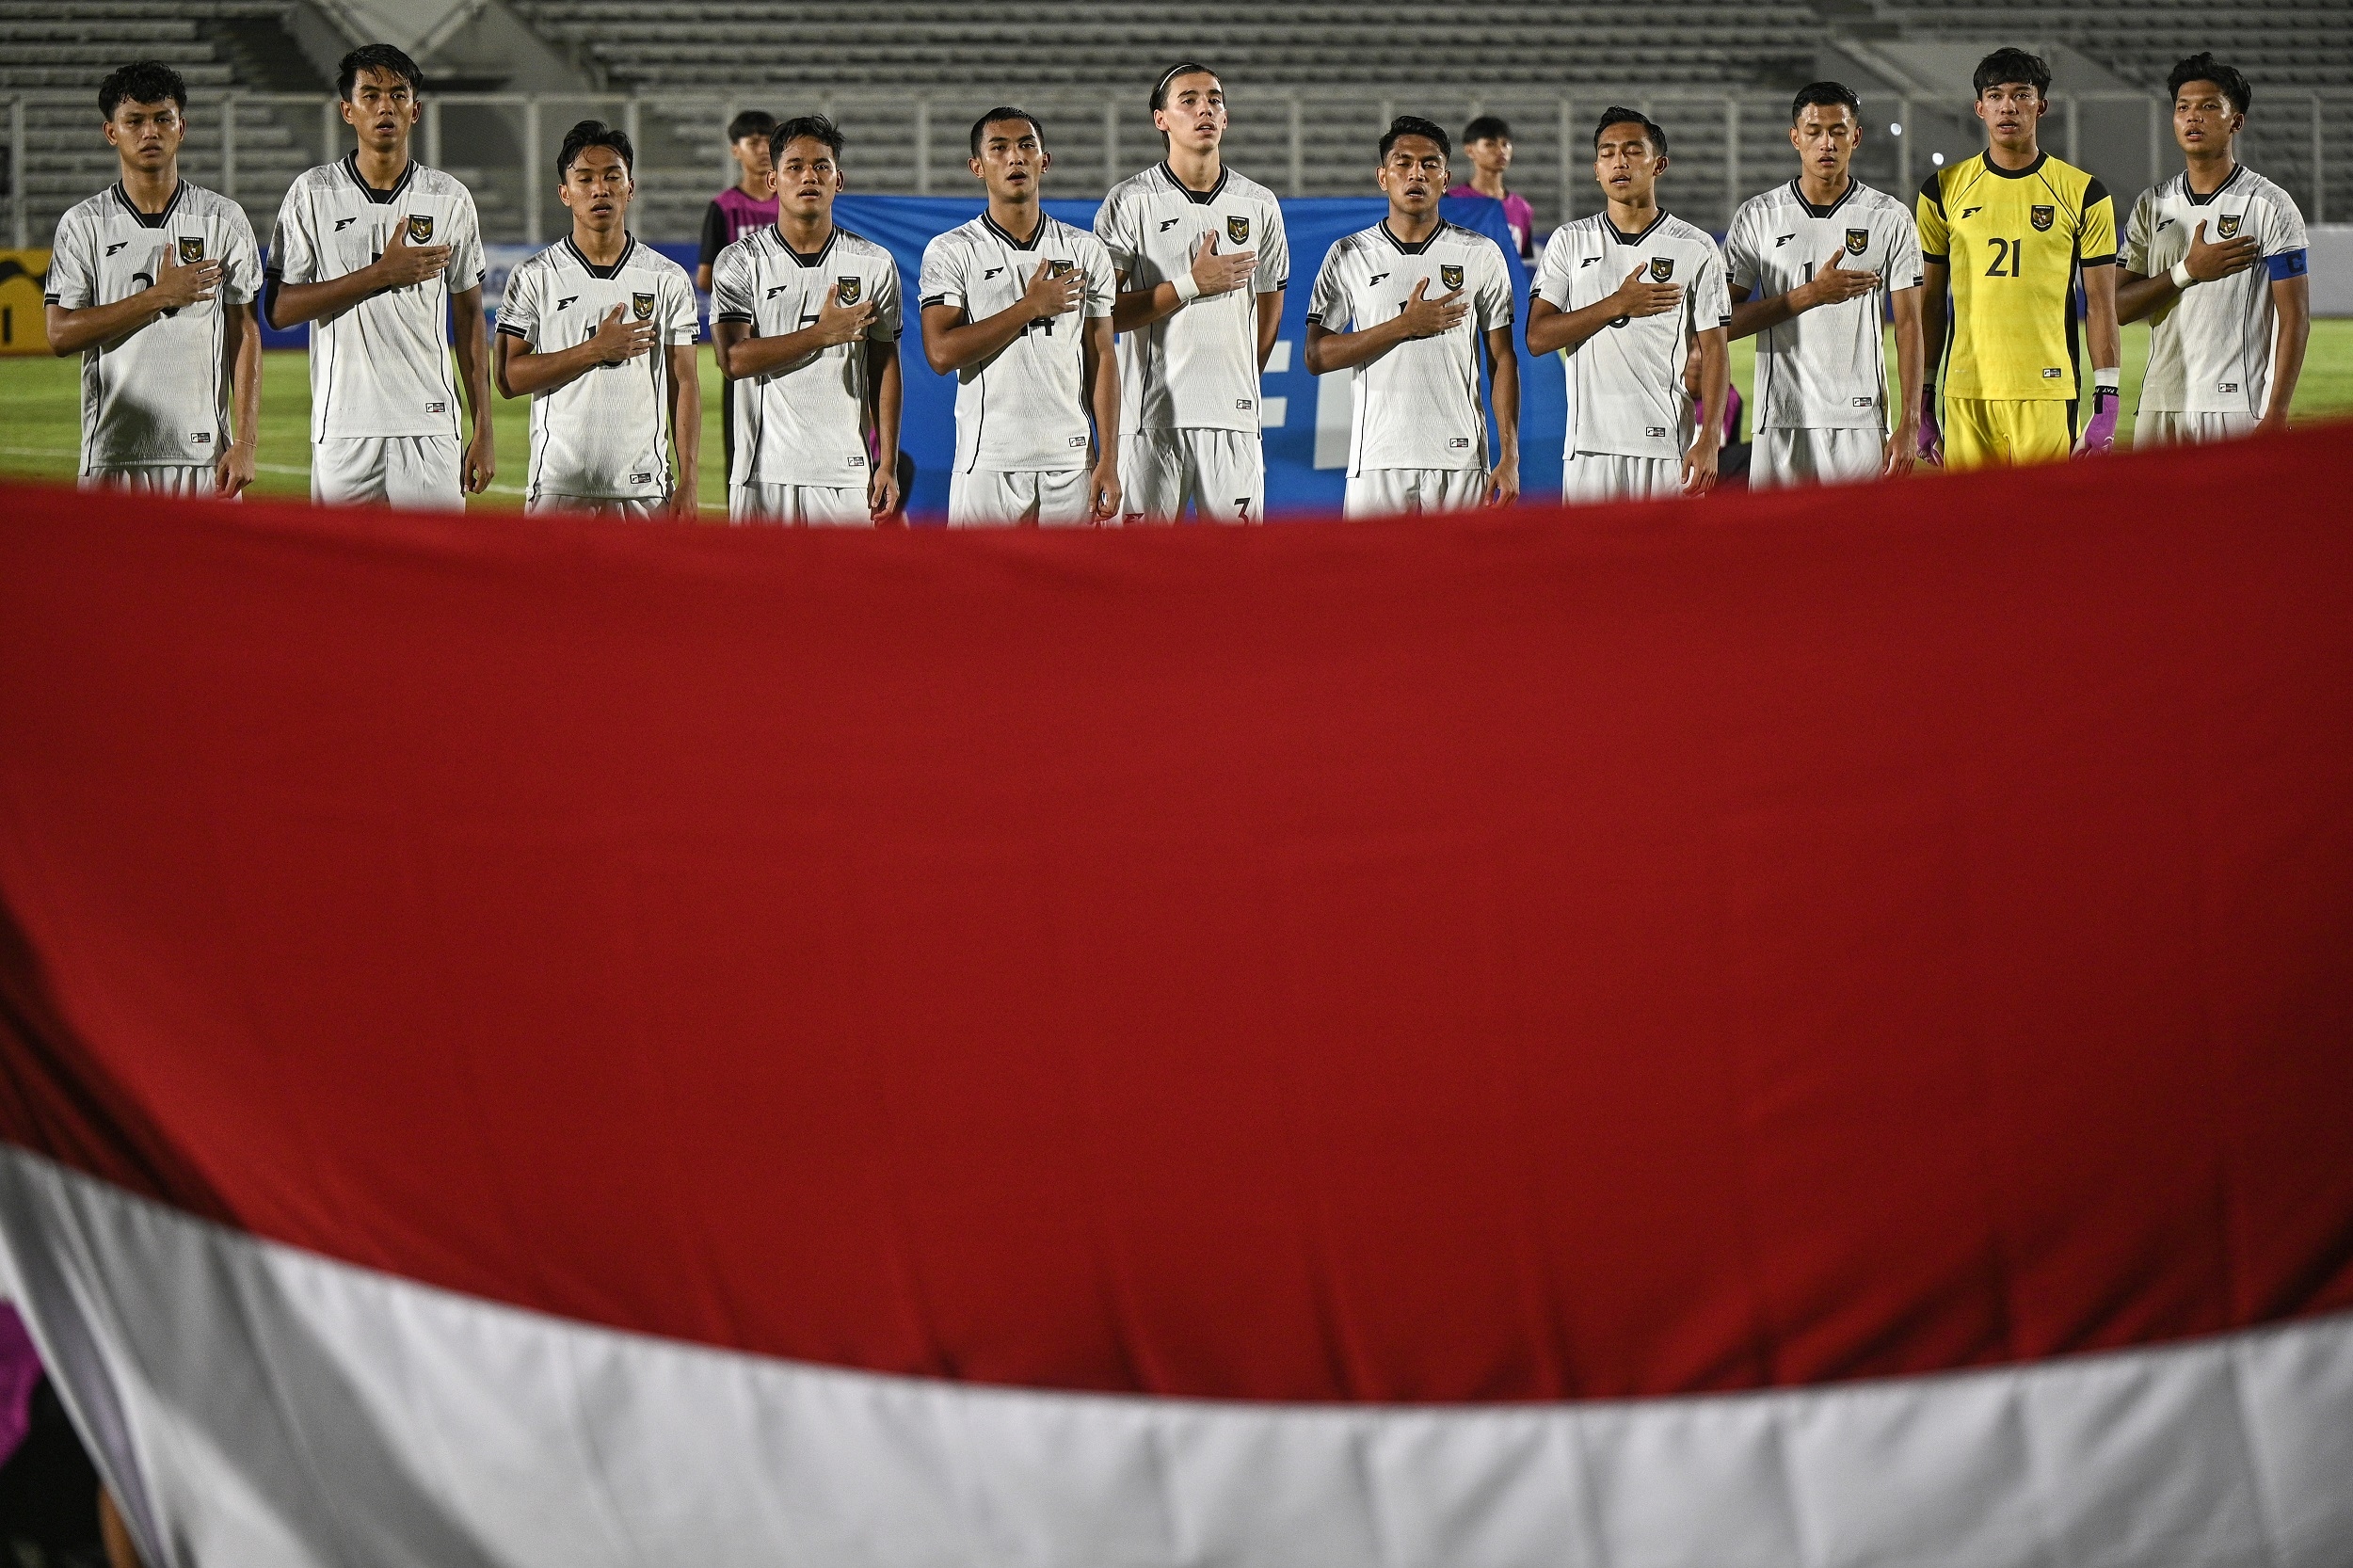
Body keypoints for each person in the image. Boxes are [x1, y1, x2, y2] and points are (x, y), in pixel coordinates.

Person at [266, 43, 492, 507]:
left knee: (436, 575)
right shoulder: (313, 193)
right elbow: (278, 309)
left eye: (398, 93)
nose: (385, 105)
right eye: (370, 95)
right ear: (347, 110)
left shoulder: (449, 198)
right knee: (342, 576)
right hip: (343, 425)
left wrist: (483, 429)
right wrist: (378, 275)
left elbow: (470, 319)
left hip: (430, 425)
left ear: (416, 109)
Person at [42, 59, 262, 496]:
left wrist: (246, 442)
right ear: (112, 133)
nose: (150, 132)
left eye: (163, 118)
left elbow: (245, 332)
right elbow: (60, 335)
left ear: (181, 128)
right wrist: (158, 297)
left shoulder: (223, 219)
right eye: (134, 121)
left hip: (205, 458)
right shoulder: (83, 224)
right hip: (112, 455)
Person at [1094, 62, 1288, 523]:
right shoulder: (1128, 201)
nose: (1205, 108)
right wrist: (1190, 285)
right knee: (1144, 576)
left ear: (1226, 119)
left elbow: (1270, 309)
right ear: (1161, 119)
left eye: (1215, 100)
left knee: (1238, 576)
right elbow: (1104, 316)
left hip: (1233, 419)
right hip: (1150, 418)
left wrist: (1237, 379)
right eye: (1189, 100)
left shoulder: (1259, 203)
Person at [1303, 115, 1518, 518]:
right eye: (1402, 163)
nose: (1416, 173)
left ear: (1447, 178)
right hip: (1377, 458)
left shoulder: (1482, 253)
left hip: (1461, 458)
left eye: (1429, 164)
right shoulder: (1349, 253)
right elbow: (1317, 357)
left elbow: (1502, 357)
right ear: (1382, 177)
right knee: (1375, 581)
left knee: (1460, 580)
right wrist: (1403, 326)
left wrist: (1510, 457)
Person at [1916, 47, 2120, 471]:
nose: (2008, 106)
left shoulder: (2084, 192)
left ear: (2041, 106)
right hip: (1967, 389)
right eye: (1995, 96)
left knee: (2047, 526)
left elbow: (2101, 303)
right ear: (1979, 108)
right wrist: (1922, 396)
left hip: (2047, 388)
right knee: (1971, 530)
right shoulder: (1941, 190)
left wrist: (2108, 398)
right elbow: (1931, 303)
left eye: (2021, 94)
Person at [919, 108, 1119, 526]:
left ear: (1044, 161)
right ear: (978, 167)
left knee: (1078, 593)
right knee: (981, 593)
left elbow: (1102, 357)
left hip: (1074, 460)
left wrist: (1110, 459)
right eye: (999, 148)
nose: (1015, 157)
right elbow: (940, 353)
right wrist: (1030, 307)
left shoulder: (1085, 250)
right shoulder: (951, 251)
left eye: (1027, 145)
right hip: (988, 461)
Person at [492, 120, 700, 517]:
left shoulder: (667, 278)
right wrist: (593, 350)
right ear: (565, 194)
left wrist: (689, 481)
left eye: (612, 177)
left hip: (644, 492)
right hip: (558, 488)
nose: (600, 189)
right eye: (585, 179)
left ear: (630, 188)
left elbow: (684, 382)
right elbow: (507, 379)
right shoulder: (535, 275)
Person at [1723, 82, 1924, 488]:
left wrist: (1910, 422)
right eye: (1814, 131)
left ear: (1857, 136)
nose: (1827, 143)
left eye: (1838, 130)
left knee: (1857, 546)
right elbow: (1720, 324)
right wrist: (1808, 296)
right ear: (1795, 138)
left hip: (1859, 419)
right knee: (1776, 545)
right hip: (1779, 416)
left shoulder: (1890, 217)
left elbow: (1909, 325)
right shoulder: (1758, 216)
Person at [1528, 108, 1729, 503]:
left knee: (1670, 563)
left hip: (1667, 445)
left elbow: (1716, 348)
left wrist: (1708, 438)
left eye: (1633, 151)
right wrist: (1617, 304)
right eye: (1607, 153)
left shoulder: (1695, 246)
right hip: (1589, 448)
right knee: (1590, 564)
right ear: (1596, 170)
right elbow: (1537, 337)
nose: (1619, 161)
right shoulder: (1570, 241)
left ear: (1659, 165)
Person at [711, 115, 904, 524]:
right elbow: (733, 361)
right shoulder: (740, 261)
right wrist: (821, 333)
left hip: (845, 473)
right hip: (762, 473)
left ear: (839, 179)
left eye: (821, 166)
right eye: (794, 167)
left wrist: (885, 462)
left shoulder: (874, 264)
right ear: (773, 181)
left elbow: (884, 365)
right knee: (758, 590)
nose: (808, 177)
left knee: (842, 589)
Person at [2117, 53, 2309, 446]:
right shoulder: (2151, 204)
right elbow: (2117, 307)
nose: (2193, 117)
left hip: (2237, 407)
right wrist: (2188, 270)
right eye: (2183, 107)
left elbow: (2295, 320)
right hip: (2160, 404)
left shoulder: (2269, 204)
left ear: (2235, 121)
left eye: (2208, 107)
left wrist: (2276, 413)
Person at [698, 108, 778, 479]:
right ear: (736, 150)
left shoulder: (793, 202)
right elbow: (705, 276)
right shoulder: (724, 208)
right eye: (753, 142)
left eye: (768, 140)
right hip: (743, 335)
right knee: (741, 441)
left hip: (788, 328)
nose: (762, 149)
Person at [1448, 115, 1536, 262]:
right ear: (1469, 150)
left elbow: (1523, 264)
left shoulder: (1522, 208)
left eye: (1505, 144)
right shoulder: (1451, 202)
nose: (1500, 150)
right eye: (1490, 144)